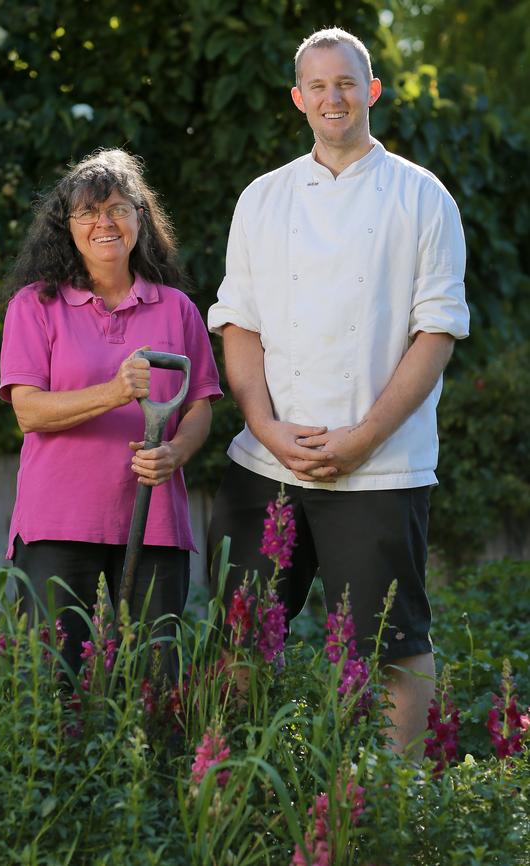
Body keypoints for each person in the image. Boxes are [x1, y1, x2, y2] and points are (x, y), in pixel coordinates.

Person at [207, 27, 469, 753]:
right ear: (298, 99)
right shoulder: (261, 199)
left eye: (347, 82)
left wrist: (363, 439)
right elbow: (240, 324)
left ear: (373, 90)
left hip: (381, 466)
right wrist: (262, 425)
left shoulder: (423, 198)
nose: (333, 97)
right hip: (266, 464)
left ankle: (399, 803)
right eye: (317, 86)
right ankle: (233, 785)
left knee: (394, 646)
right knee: (240, 636)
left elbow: (437, 333)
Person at [0, 148, 222, 675]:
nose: (105, 222)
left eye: (119, 208)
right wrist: (115, 390)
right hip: (57, 520)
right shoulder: (35, 305)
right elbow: (29, 412)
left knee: (152, 682)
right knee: (51, 681)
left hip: (154, 521)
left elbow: (201, 405)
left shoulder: (177, 309)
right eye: (88, 212)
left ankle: (153, 763)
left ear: (140, 220)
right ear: (67, 228)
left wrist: (175, 452)